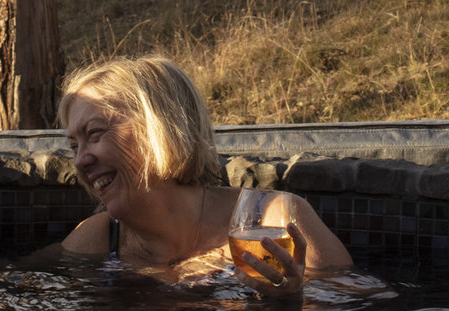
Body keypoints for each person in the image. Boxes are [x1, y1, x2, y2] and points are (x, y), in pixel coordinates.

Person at [52, 55, 352, 290]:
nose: (80, 161)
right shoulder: (96, 241)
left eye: (94, 134)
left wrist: (295, 299)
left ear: (158, 130)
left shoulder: (273, 222)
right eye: (74, 146)